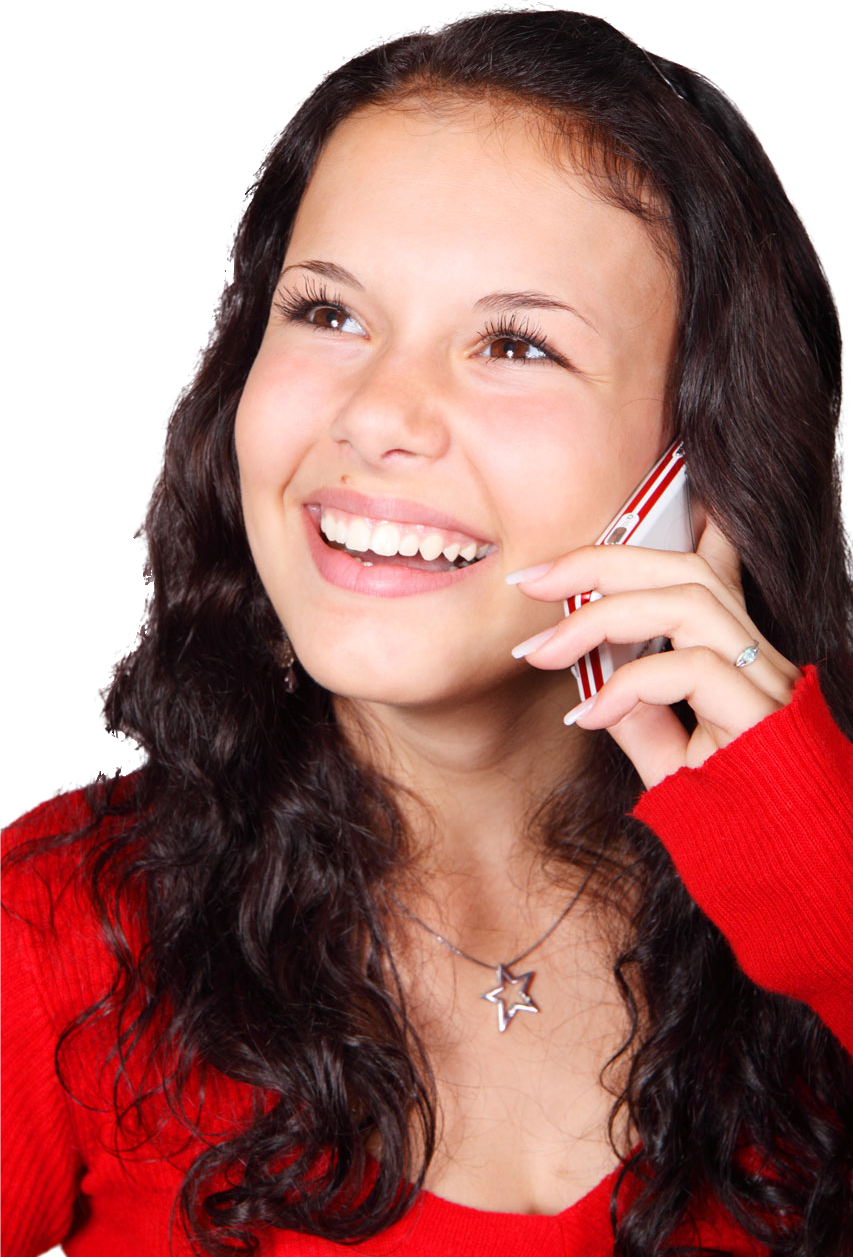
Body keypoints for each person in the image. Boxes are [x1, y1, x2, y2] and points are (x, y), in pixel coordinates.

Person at [2, 7, 851, 1256]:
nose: (377, 414)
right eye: (328, 315)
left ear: (698, 471)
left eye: (513, 344)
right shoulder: (59, 931)